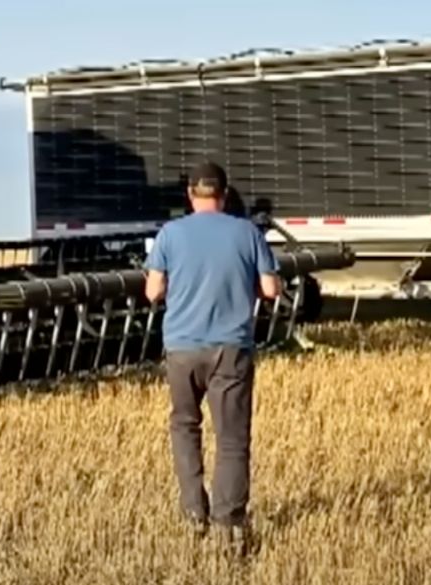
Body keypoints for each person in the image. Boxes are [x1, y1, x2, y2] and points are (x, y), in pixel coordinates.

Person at [144, 162, 280, 554]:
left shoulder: (170, 234)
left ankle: (193, 512)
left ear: (190, 194)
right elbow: (270, 289)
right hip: (230, 348)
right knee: (232, 438)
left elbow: (153, 291)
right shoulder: (247, 232)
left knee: (185, 426)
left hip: (181, 349)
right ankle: (228, 522)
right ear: (224, 193)